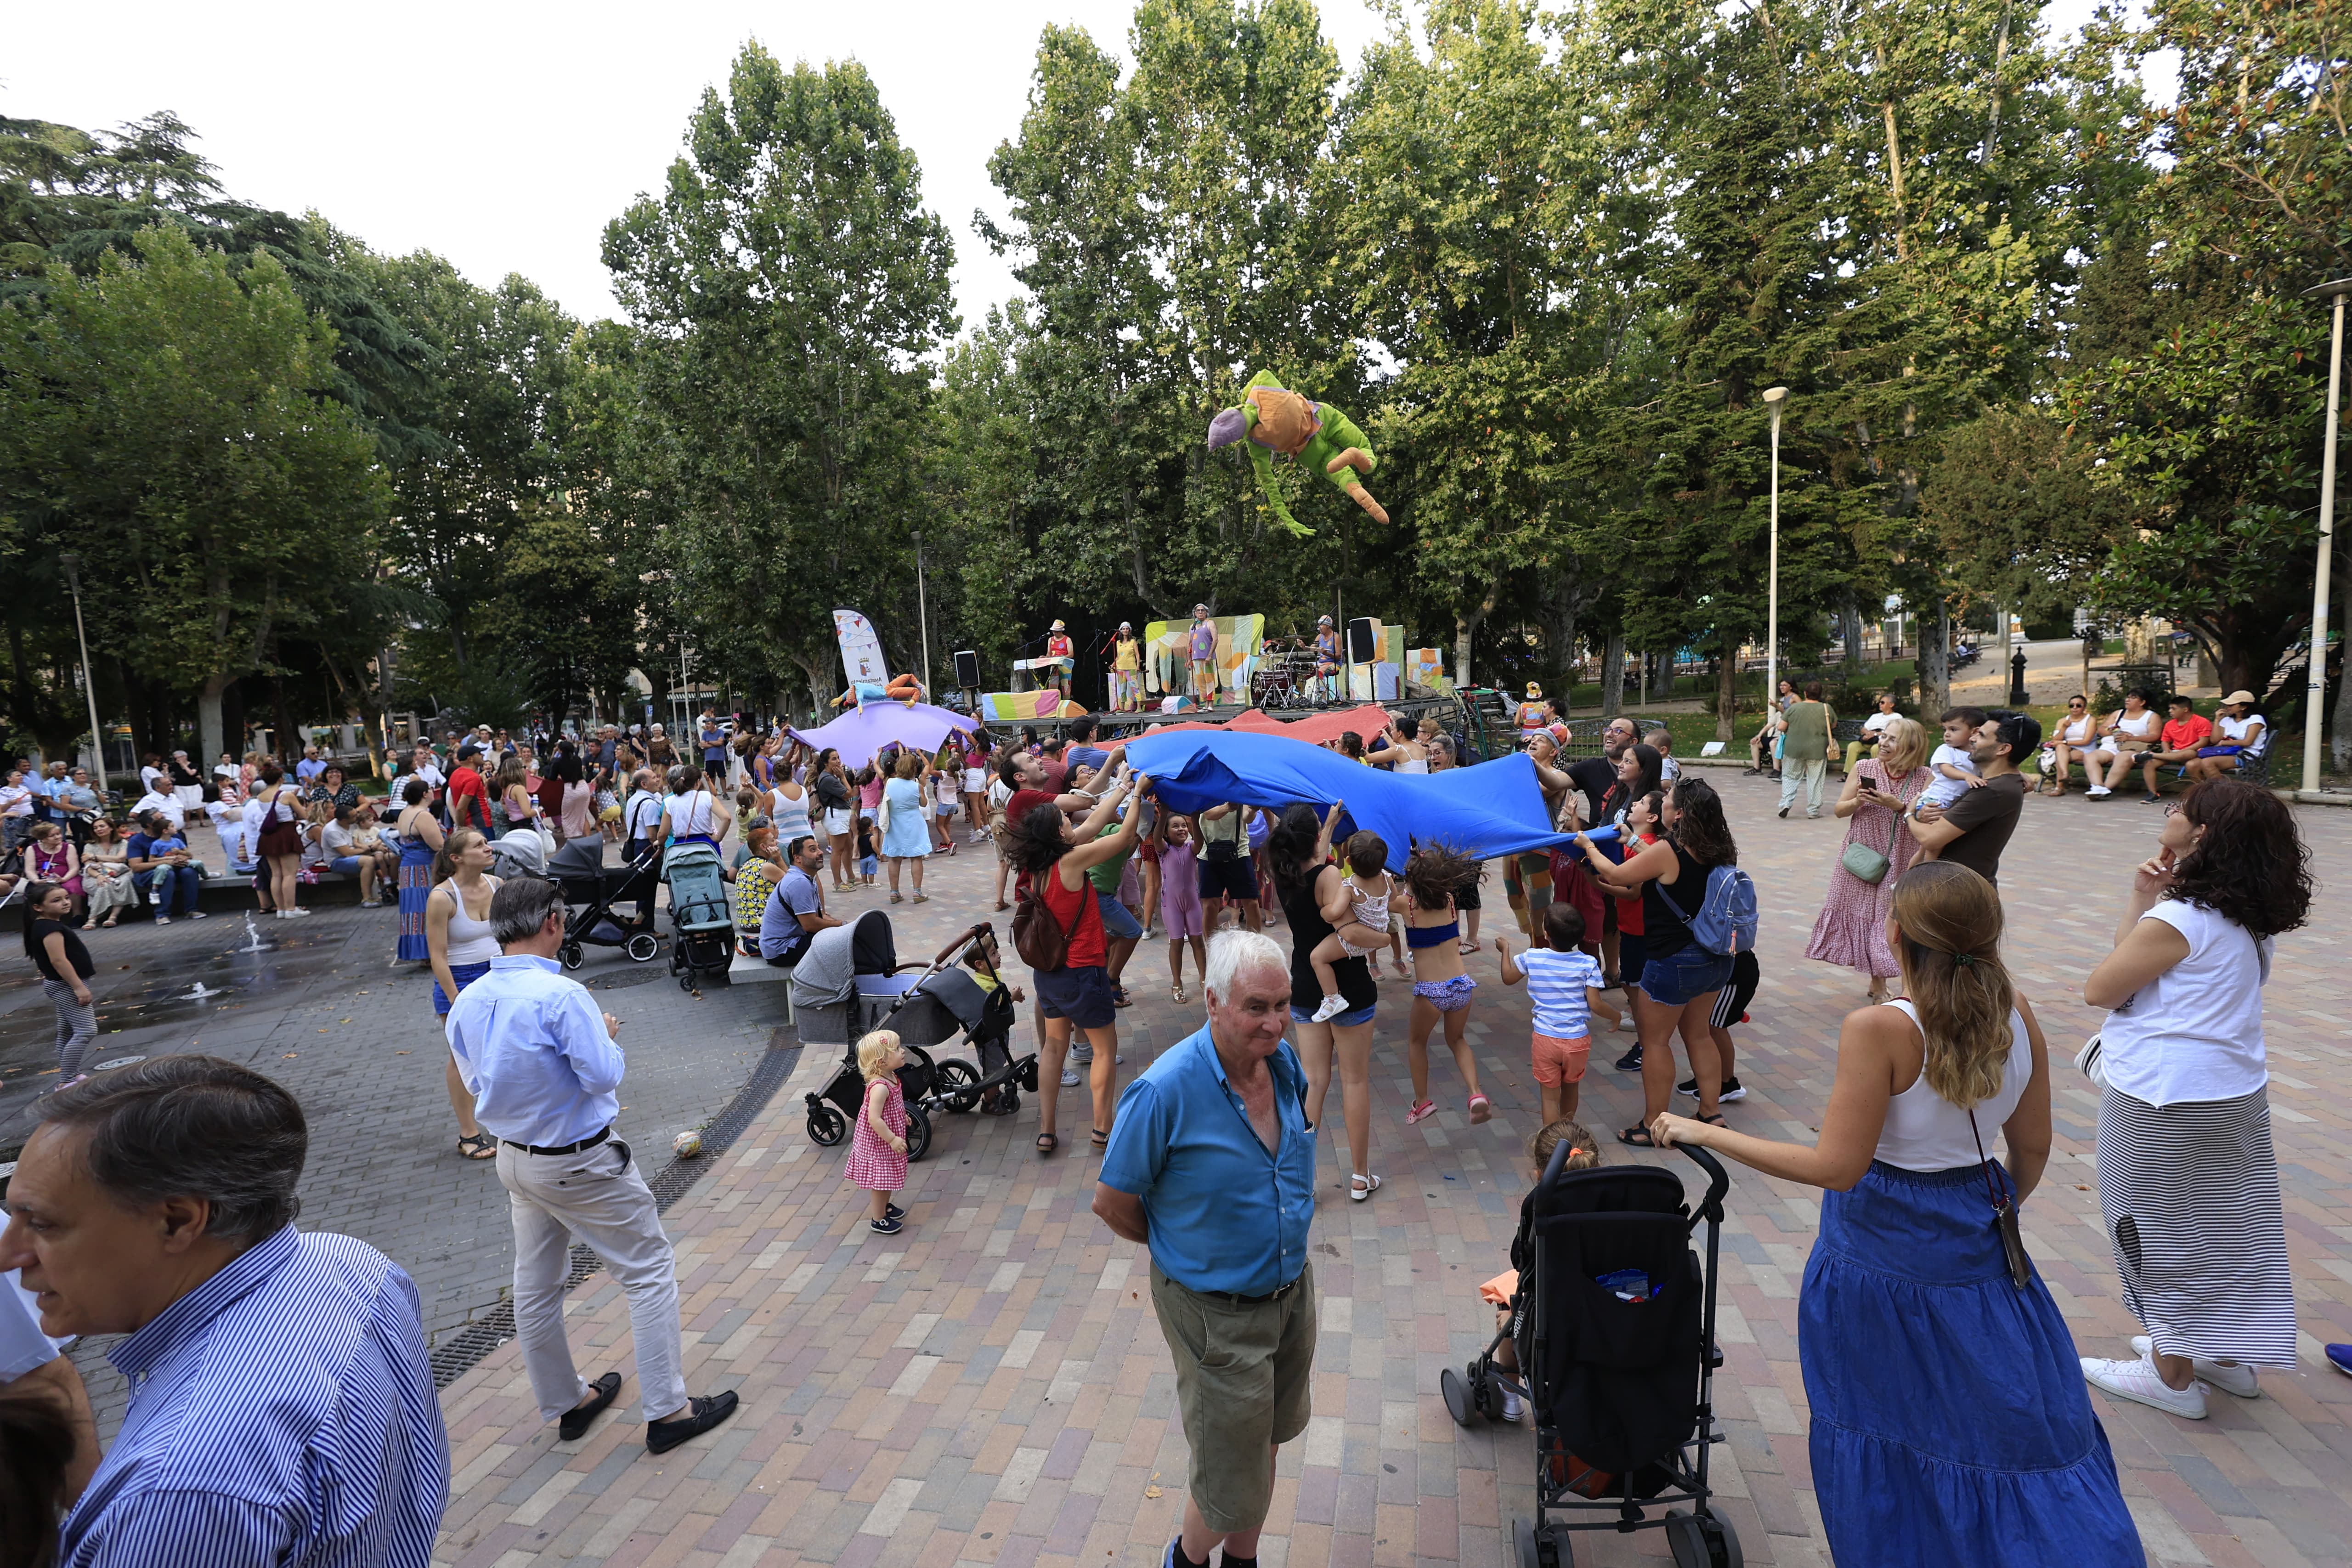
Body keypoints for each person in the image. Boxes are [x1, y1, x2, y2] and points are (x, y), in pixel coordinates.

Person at [1648, 862, 2143, 1567]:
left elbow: (1837, 1167)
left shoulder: (1879, 1027)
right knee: (1999, 1416)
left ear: (1897, 933)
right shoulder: (2016, 1008)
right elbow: (2031, 1146)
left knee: (1885, 1418)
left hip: (1880, 1240)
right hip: (1979, 1217)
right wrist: (1988, 1211)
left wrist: (1707, 1131)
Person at [0, 1056, 451, 1566]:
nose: (8, 1254)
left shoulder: (178, 1491)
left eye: (42, 1223)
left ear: (178, 1221)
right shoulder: (350, 1263)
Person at [444, 877, 740, 1454]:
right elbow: (603, 1076)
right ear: (553, 923)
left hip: (516, 1159)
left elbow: (479, 1083)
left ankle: (567, 1402)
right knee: (648, 1270)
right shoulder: (562, 996)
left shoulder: (469, 1000)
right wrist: (606, 1037)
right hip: (579, 1160)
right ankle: (669, 1409)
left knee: (535, 1287)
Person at [2077, 779, 2311, 1418]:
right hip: (2231, 1092)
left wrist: (2152, 905)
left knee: (2149, 1228)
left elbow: (2103, 988)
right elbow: (2132, 979)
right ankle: (2225, 1355)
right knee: (2225, 1226)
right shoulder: (2244, 913)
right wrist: (2143, 895)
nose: (2170, 813)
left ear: (2205, 835)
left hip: (2162, 1099)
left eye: (2182, 810)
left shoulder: (2182, 918)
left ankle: (2171, 1374)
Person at [1093, 929, 1318, 1568]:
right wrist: (1178, 1249)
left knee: (1266, 1444)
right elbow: (1112, 1203)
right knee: (1227, 1479)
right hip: (1217, 1314)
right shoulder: (1164, 1092)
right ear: (1213, 1001)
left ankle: (1240, 1563)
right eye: (1256, 1007)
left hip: (1289, 1293)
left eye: (1283, 1004)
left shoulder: (1282, 1064)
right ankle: (1186, 1562)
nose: (1275, 1023)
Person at [1570, 775, 1738, 1144]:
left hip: (1675, 960)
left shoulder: (1669, 850)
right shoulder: (1720, 849)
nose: (1662, 803)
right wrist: (1629, 839)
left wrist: (1586, 844)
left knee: (1656, 1041)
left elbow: (1616, 873)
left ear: (1678, 815)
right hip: (1717, 957)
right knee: (1699, 1034)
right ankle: (1711, 1113)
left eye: (1668, 801)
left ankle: (1652, 1124)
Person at [1006, 768, 1145, 1156]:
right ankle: (1103, 1129)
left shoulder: (1037, 866)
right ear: (1059, 834)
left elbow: (1096, 821)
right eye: (1066, 819)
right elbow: (1124, 837)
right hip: (1083, 970)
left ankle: (1047, 1130)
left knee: (1053, 1048)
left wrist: (1121, 785)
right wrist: (1137, 796)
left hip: (1049, 976)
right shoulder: (1071, 862)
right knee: (1104, 1049)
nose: (1072, 821)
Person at [1266, 803, 1380, 1200]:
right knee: (1354, 1080)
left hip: (1305, 986)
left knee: (1314, 1082)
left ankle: (1302, 1179)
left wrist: (1328, 824)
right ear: (1312, 839)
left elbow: (1318, 863)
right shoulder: (1330, 875)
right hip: (1347, 984)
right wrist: (1387, 936)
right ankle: (1360, 1176)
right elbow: (1348, 928)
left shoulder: (1283, 870)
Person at [1476, 1118, 1603, 1423]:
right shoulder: (1618, 1205)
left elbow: (1523, 1263)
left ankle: (1511, 1400)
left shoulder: (1543, 1211)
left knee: (1509, 1306)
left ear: (1538, 1174)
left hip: (1556, 1325)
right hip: (1613, 1315)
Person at [1806, 715, 1931, 1005]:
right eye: (1883, 736)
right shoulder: (1865, 767)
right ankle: (1878, 984)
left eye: (1891, 739)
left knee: (1895, 919)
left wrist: (1898, 806)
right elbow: (1839, 810)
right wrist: (1859, 801)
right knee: (1868, 917)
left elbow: (1925, 818)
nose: (1883, 743)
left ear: (1911, 746)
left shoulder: (1925, 776)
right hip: (1862, 856)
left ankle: (1900, 985)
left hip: (1903, 855)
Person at [1397, 843, 1490, 1125]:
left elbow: (1382, 903)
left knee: (1416, 1043)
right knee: (1457, 1040)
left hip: (1431, 992)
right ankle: (1476, 1094)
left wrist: (1396, 884)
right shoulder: (1450, 900)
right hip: (1461, 985)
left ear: (1411, 880)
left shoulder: (1406, 905)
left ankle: (1422, 1102)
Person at [428, 828, 502, 1161]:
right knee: (462, 1057)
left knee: (503, 1049)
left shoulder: (496, 884)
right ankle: (468, 1132)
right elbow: (438, 957)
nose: (488, 848)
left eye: (486, 843)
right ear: (456, 858)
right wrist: (458, 1000)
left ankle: (508, 1123)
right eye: (479, 845)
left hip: (498, 974)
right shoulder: (442, 897)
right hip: (459, 979)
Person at [1497, 905, 1606, 1126]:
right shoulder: (1588, 963)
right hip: (1577, 1040)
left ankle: (1551, 1147)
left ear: (1546, 933)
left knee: (1549, 1097)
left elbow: (1508, 978)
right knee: (1571, 1088)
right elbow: (1595, 1003)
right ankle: (1566, 1132)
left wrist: (1505, 949)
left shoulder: (1533, 958)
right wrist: (1614, 1017)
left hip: (1546, 1040)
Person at [1906, 710, 2038, 886]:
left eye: (1981, 736)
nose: (1972, 739)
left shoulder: (1990, 791)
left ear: (2003, 749)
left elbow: (1930, 839)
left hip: (1956, 891)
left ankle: (1916, 881)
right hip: (1963, 887)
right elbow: (1938, 777)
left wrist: (1909, 813)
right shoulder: (2003, 781)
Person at [1306, 814, 1394, 1024]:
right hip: (1378, 933)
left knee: (1317, 958)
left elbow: (1336, 913)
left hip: (1353, 942)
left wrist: (1324, 911)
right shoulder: (1388, 878)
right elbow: (1394, 898)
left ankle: (1332, 998)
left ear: (1348, 861)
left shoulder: (1350, 887)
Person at [23, 882, 97, 1085]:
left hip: (62, 984)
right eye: (57, 900)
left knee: (67, 1030)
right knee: (86, 1031)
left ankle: (72, 1074)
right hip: (65, 985)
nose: (65, 903)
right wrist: (78, 987)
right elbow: (59, 960)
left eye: (66, 897)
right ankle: (67, 1080)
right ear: (38, 907)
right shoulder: (49, 928)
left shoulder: (46, 925)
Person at [846, 1030, 912, 1236]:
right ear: (881, 1062)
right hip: (878, 1142)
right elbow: (874, 1118)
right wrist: (892, 1139)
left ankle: (885, 1207)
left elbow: (892, 1107)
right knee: (881, 1180)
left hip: (885, 1138)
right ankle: (878, 1218)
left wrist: (903, 1116)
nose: (903, 1052)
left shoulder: (891, 1077)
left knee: (889, 1175)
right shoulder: (880, 1087)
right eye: (896, 1050)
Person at [759, 835, 837, 967]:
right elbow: (811, 925)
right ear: (798, 858)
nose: (820, 852)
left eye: (818, 848)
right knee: (841, 948)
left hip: (785, 943)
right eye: (813, 850)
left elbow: (817, 919)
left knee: (842, 940)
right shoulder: (799, 882)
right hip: (781, 950)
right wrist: (843, 925)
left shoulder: (804, 878)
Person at [393, 777, 445, 963]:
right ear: (425, 794)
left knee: (415, 910)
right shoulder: (423, 815)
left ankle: (422, 953)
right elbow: (438, 845)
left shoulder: (405, 812)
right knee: (427, 908)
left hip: (408, 868)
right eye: (431, 790)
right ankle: (431, 953)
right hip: (423, 869)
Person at [1157, 813, 1208, 1002]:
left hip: (1193, 903)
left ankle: (1204, 978)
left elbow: (1200, 841)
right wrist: (1163, 811)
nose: (1182, 829)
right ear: (1166, 833)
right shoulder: (1164, 850)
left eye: (1184, 826)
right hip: (1171, 905)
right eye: (1176, 827)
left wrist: (1194, 818)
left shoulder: (1191, 848)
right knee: (1176, 944)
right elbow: (1156, 838)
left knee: (1198, 942)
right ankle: (1177, 982)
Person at [1193, 800, 1265, 933]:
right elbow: (1208, 814)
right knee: (1210, 904)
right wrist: (1228, 807)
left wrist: (1253, 810)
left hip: (1239, 851)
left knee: (1251, 901)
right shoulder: (1206, 782)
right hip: (1208, 851)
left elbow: (1247, 818)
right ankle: (1213, 950)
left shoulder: (1240, 783)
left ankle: (1255, 948)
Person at [124, 809, 206, 925]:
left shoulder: (173, 836)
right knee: (168, 874)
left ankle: (192, 910)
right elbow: (136, 867)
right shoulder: (137, 841)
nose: (165, 820)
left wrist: (182, 858)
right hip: (148, 873)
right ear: (150, 824)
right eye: (161, 819)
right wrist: (167, 862)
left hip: (174, 868)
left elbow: (186, 854)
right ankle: (162, 914)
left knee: (189, 872)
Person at [250, 761, 306, 918]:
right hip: (286, 833)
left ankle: (281, 909)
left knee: (276, 874)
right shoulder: (286, 795)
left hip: (269, 835)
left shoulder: (261, 796)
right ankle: (291, 908)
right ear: (281, 778)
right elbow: (303, 815)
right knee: (289, 874)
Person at [1775, 679, 1836, 819]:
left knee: (1790, 777)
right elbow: (1832, 726)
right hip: (1817, 749)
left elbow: (1781, 727)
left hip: (1793, 748)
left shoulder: (1795, 708)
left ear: (1805, 693)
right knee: (1816, 779)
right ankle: (1813, 810)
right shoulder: (1826, 708)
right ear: (1820, 694)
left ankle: (1786, 803)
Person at [2137, 693, 2213, 801]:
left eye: (2173, 709)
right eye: (2170, 708)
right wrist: (2166, 749)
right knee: (2150, 763)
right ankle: (2153, 794)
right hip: (2173, 754)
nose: (2170, 711)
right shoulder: (2170, 724)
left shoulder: (2201, 722)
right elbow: (2165, 741)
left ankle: (2150, 755)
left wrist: (2182, 751)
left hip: (2193, 752)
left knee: (2190, 755)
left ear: (2185, 709)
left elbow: (2203, 742)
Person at [2085, 688, 2160, 797]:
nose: (2128, 700)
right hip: (2111, 746)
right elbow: (2102, 729)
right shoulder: (2119, 713)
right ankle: (2098, 787)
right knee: (2090, 757)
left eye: (2133, 698)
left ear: (2142, 702)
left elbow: (2154, 736)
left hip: (2132, 748)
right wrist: (2112, 732)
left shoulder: (2151, 716)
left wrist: (2130, 738)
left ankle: (2105, 789)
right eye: (2128, 697)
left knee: (2123, 757)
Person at [880, 750, 931, 904]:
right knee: (916, 857)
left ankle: (894, 892)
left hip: (895, 822)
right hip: (913, 822)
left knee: (895, 859)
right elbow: (924, 804)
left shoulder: (890, 783)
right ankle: (917, 892)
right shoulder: (917, 786)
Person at [2184, 690, 2267, 784]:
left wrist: (2224, 743)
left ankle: (2222, 793)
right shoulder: (2227, 720)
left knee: (2208, 763)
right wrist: (2217, 721)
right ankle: (2203, 792)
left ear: (2243, 707)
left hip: (2246, 756)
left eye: (2231, 705)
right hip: (2223, 753)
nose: (2228, 707)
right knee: (2191, 765)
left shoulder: (2255, 719)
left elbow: (2247, 742)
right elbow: (2215, 740)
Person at [1919, 707, 1987, 810]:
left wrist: (2017, 774)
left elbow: (1997, 766)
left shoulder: (1981, 753)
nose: (1947, 734)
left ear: (1975, 732)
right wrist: (1967, 777)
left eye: (1953, 730)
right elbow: (1946, 769)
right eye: (1945, 730)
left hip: (1958, 802)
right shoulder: (1946, 750)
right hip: (1936, 799)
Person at [318, 804, 386, 903]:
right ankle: (367, 899)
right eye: (354, 816)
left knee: (391, 857)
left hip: (362, 853)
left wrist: (378, 846)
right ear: (345, 820)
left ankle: (392, 891)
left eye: (356, 813)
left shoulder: (355, 823)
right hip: (337, 861)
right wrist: (371, 849)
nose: (358, 816)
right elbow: (347, 853)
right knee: (369, 861)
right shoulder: (332, 831)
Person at [19, 823, 83, 923]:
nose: (58, 837)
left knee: (73, 886)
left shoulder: (69, 847)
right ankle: (43, 919)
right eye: (53, 835)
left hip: (67, 877)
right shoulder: (32, 849)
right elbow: (29, 870)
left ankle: (77, 915)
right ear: (43, 838)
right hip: (42, 879)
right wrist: (37, 881)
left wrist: (64, 879)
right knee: (38, 891)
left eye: (58, 834)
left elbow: (75, 868)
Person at [79, 816, 136, 929]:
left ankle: (113, 917)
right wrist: (99, 876)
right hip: (94, 875)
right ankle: (93, 918)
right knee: (104, 885)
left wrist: (95, 857)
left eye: (102, 826)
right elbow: (88, 866)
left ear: (111, 828)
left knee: (124, 881)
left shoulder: (122, 843)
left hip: (119, 873)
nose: (99, 830)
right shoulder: (89, 846)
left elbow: (120, 859)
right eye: (95, 828)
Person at [664, 762, 730, 852]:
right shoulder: (707, 796)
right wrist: (718, 838)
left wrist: (659, 842)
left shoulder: (669, 801)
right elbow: (726, 818)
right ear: (698, 782)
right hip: (706, 843)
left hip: (681, 846)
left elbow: (663, 832)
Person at [1843, 691, 1900, 773]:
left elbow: (1894, 732)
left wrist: (1875, 734)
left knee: (1875, 749)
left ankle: (1877, 773)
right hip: (1868, 740)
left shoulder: (1897, 717)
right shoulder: (1875, 716)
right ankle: (1848, 773)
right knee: (1853, 746)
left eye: (1883, 702)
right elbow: (1863, 728)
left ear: (1891, 705)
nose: (1880, 704)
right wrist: (1867, 734)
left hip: (1882, 742)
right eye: (1880, 702)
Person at [1747, 679, 1796, 775]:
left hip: (1786, 738)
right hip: (1775, 737)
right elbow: (1768, 726)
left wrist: (1778, 707)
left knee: (1773, 744)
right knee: (1755, 743)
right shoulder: (1778, 715)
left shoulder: (1792, 715)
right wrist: (1759, 736)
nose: (1783, 705)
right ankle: (1757, 768)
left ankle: (1776, 770)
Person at [1187, 604, 1219, 704]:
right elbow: (1189, 643)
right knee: (1200, 681)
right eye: (1198, 611)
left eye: (1202, 611)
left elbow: (1215, 640)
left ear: (1206, 613)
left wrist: (1209, 655)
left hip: (1207, 657)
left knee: (1209, 680)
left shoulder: (1210, 623)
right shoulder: (1192, 627)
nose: (1200, 612)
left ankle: (1211, 704)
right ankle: (1205, 704)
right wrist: (1189, 659)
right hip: (1196, 657)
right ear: (1195, 614)